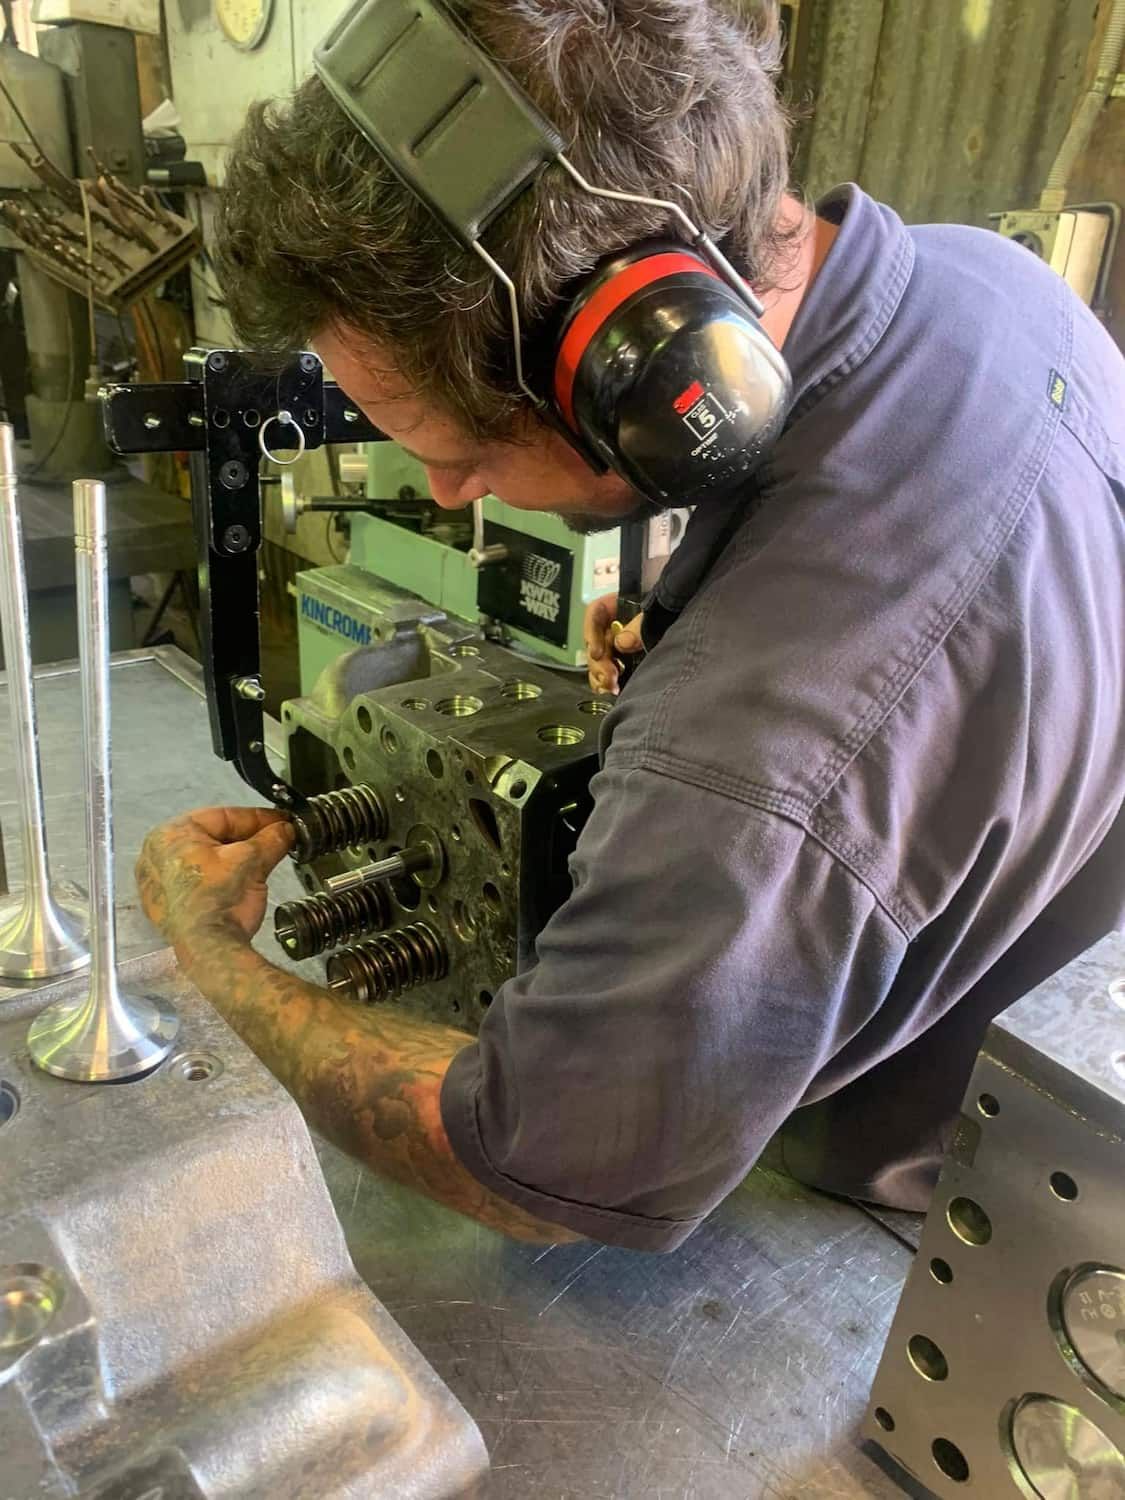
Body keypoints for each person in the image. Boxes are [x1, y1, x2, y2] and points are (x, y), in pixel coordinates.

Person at [137, 0, 1125, 1252]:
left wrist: (214, 958)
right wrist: (699, 608)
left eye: (463, 456)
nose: (444, 491)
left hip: (872, 1221)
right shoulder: (987, 282)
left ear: (639, 374)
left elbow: (532, 1168)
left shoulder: (758, 757)